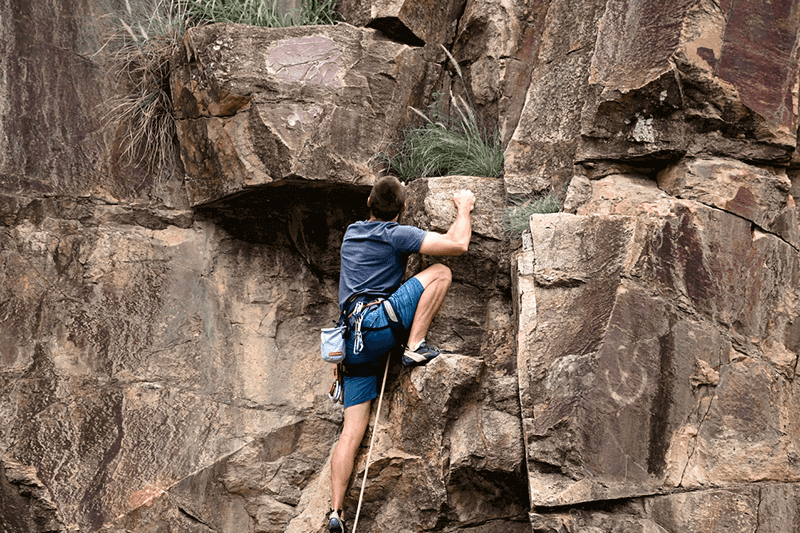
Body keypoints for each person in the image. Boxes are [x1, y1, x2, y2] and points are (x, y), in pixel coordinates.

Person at [327, 176, 475, 533]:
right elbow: (458, 244)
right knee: (440, 272)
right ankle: (415, 346)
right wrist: (464, 207)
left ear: (368, 202)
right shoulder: (397, 235)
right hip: (378, 327)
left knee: (351, 432)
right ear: (404, 209)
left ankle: (335, 512)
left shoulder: (351, 233)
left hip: (350, 347)